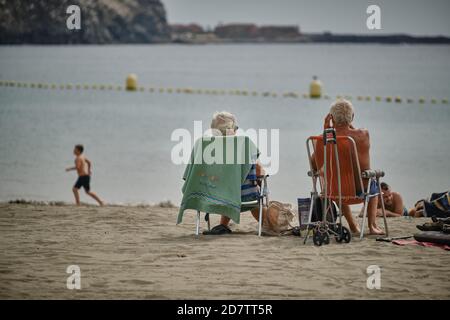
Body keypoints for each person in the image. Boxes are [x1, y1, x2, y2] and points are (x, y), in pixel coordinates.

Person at [315, 99, 384, 235]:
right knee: (373, 182)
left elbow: (316, 164)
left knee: (339, 180)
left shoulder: (321, 139)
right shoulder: (362, 135)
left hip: (333, 191)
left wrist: (327, 129)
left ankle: (352, 224)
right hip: (360, 191)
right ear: (352, 117)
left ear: (331, 118)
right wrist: (347, 123)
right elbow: (351, 131)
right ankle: (372, 225)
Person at [206, 111, 266, 234]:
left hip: (212, 196)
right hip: (244, 197)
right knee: (251, 187)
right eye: (236, 128)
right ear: (231, 129)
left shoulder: (204, 147)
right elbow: (259, 171)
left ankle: (222, 225)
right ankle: (267, 224)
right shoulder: (244, 145)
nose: (237, 130)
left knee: (229, 186)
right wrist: (262, 176)